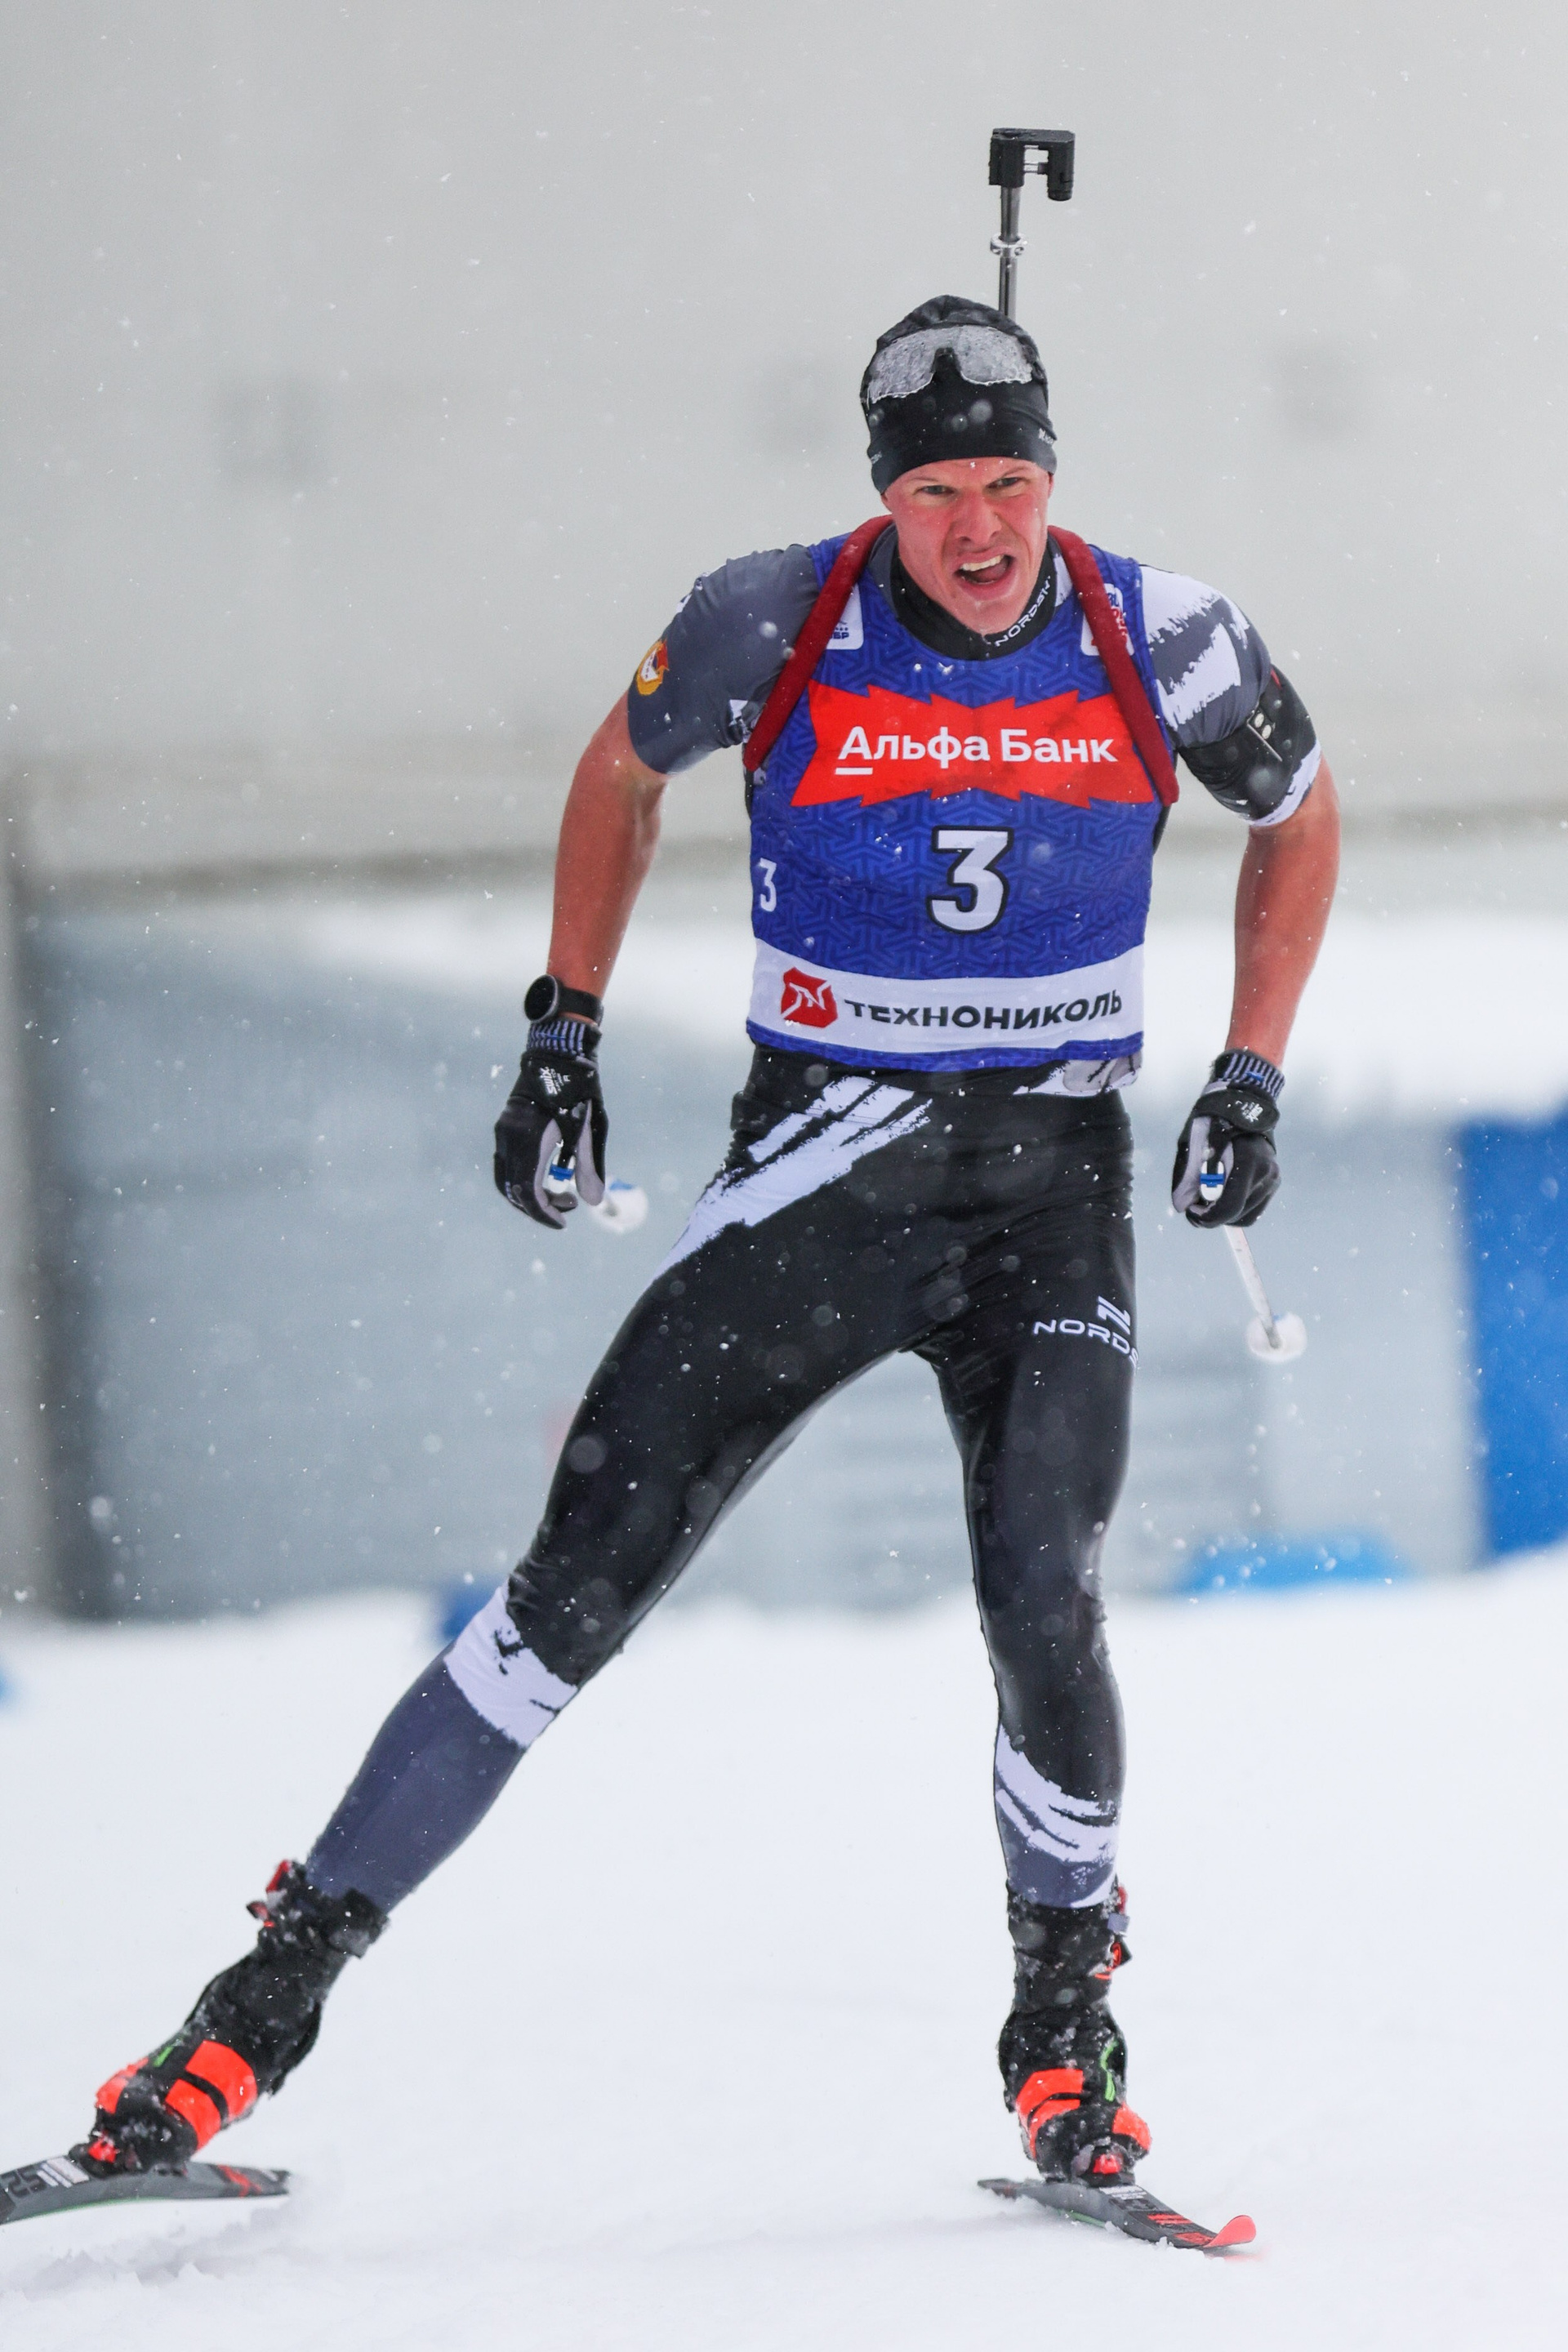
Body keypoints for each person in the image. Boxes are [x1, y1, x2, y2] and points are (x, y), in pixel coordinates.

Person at [76, 295, 1338, 2191]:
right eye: (935, 493)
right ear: (883, 498)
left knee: (1044, 1593)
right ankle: (258, 2008)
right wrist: (562, 1030)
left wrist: (1252, 1070)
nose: (978, 529)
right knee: (566, 1600)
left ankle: (1064, 2030)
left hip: (1045, 1201)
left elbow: (1299, 814)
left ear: (1052, 475)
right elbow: (619, 770)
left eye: (1007, 483)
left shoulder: (1168, 636)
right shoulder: (774, 617)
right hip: (818, 1183)